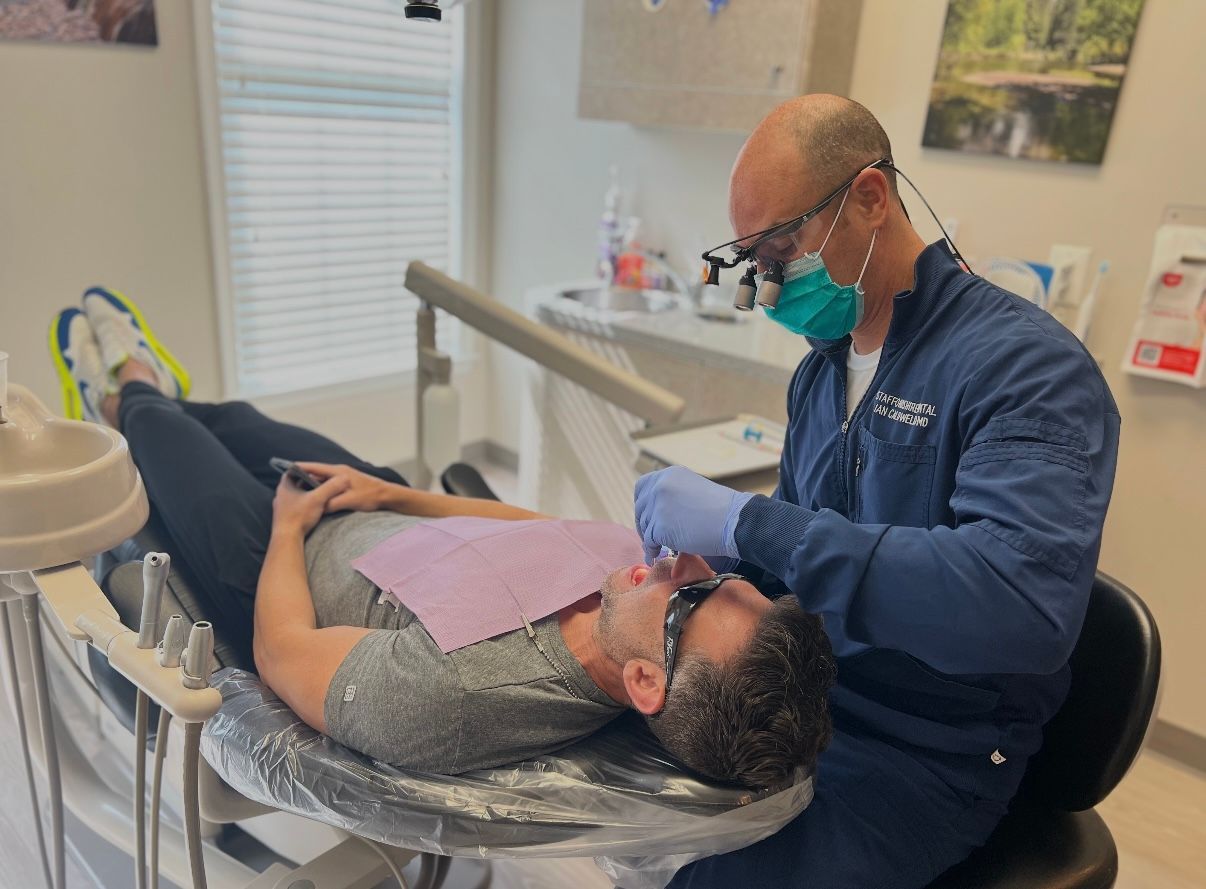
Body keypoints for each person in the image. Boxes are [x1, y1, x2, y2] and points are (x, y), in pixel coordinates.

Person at [49, 293, 836, 787]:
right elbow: (549, 533)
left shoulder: (460, 701)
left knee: (152, 426)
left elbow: (285, 651)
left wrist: (289, 528)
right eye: (728, 572)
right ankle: (167, 398)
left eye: (695, 591)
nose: (685, 560)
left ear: (643, 682)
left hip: (271, 556)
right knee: (232, 419)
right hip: (375, 501)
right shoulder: (634, 587)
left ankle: (120, 383)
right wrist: (391, 488)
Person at [634, 95, 1121, 888]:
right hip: (811, 698)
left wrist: (751, 521)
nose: (766, 282)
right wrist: (701, 578)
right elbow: (793, 571)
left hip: (932, 750)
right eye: (751, 259)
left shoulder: (1026, 370)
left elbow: (1018, 605)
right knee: (634, 806)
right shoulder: (822, 371)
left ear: (869, 197)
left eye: (780, 246)